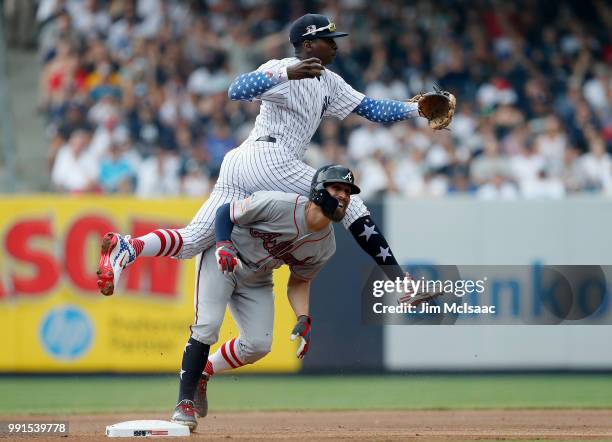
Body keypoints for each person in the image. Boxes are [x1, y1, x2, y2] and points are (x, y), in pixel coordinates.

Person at [96, 14, 443, 305]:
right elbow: (236, 90)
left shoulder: (331, 82)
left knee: (192, 241)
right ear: (308, 45)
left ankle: (128, 247)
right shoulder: (283, 67)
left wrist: (416, 110)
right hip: (268, 157)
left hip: (244, 163)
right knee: (349, 203)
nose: (336, 44)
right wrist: (284, 74)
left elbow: (371, 109)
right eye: (328, 39)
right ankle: (404, 283)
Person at [169, 165, 359, 431]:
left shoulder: (326, 245)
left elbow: (300, 281)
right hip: (226, 258)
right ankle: (183, 403)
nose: (344, 196)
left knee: (258, 345)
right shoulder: (280, 203)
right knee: (208, 326)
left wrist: (303, 317)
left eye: (348, 192)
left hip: (258, 278)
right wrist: (223, 244)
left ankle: (205, 370)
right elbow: (226, 212)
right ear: (318, 191)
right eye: (337, 188)